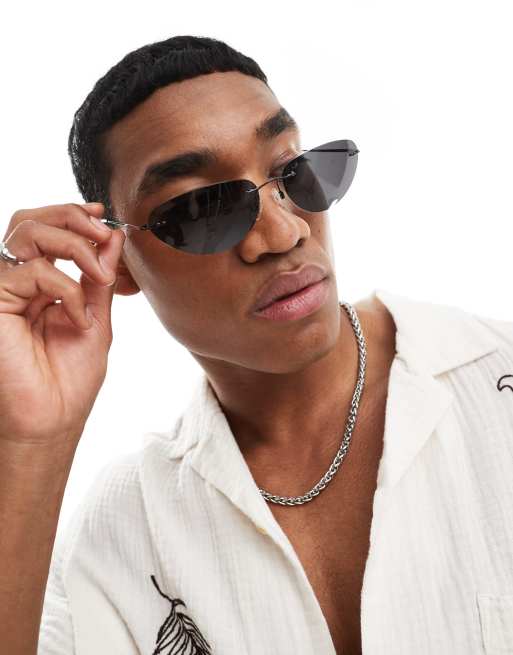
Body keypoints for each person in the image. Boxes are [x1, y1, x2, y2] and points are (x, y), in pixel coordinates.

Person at [0, 35, 512, 655]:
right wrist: (30, 442)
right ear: (118, 258)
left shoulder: (498, 387)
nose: (285, 232)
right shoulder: (121, 536)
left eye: (293, 172)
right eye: (203, 207)